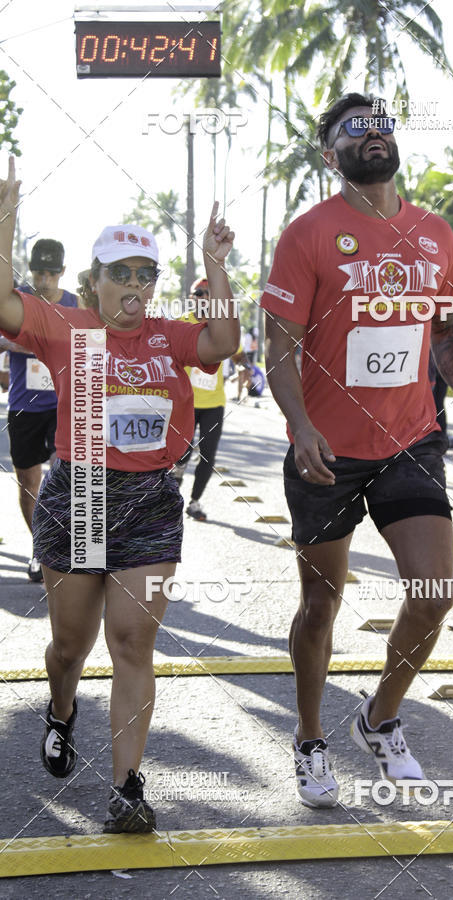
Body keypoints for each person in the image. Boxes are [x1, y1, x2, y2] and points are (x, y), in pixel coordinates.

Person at [262, 94, 453, 808]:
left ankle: (380, 717)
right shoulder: (308, 236)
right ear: (330, 155)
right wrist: (300, 426)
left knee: (431, 595)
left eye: (381, 123)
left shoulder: (434, 233)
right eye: (353, 128)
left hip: (409, 440)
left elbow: (446, 333)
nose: (373, 133)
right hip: (327, 449)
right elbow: (279, 351)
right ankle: (308, 737)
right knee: (320, 604)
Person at [0, 157, 239, 832]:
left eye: (145, 275)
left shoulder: (168, 336)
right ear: (94, 281)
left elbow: (223, 340)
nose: (134, 286)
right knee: (69, 647)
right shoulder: (68, 329)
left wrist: (214, 263)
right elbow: (3, 302)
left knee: (133, 642)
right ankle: (61, 708)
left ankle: (127, 787)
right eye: (120, 274)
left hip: (151, 502)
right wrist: (5, 213)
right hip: (82, 497)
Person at [0, 240, 78, 581]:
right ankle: (40, 549)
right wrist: (23, 342)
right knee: (28, 482)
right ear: (30, 270)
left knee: (62, 480)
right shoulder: (15, 300)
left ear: (62, 272)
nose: (44, 279)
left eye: (51, 272)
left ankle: (62, 549)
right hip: (24, 406)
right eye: (38, 272)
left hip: (64, 404)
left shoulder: (76, 304)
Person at [172, 277, 227, 522]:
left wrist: (246, 366)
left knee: (208, 456)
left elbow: (235, 353)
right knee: (180, 454)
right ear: (192, 297)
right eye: (199, 292)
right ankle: (172, 495)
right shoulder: (181, 323)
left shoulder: (222, 325)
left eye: (209, 293)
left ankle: (194, 503)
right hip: (186, 402)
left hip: (214, 403)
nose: (204, 297)